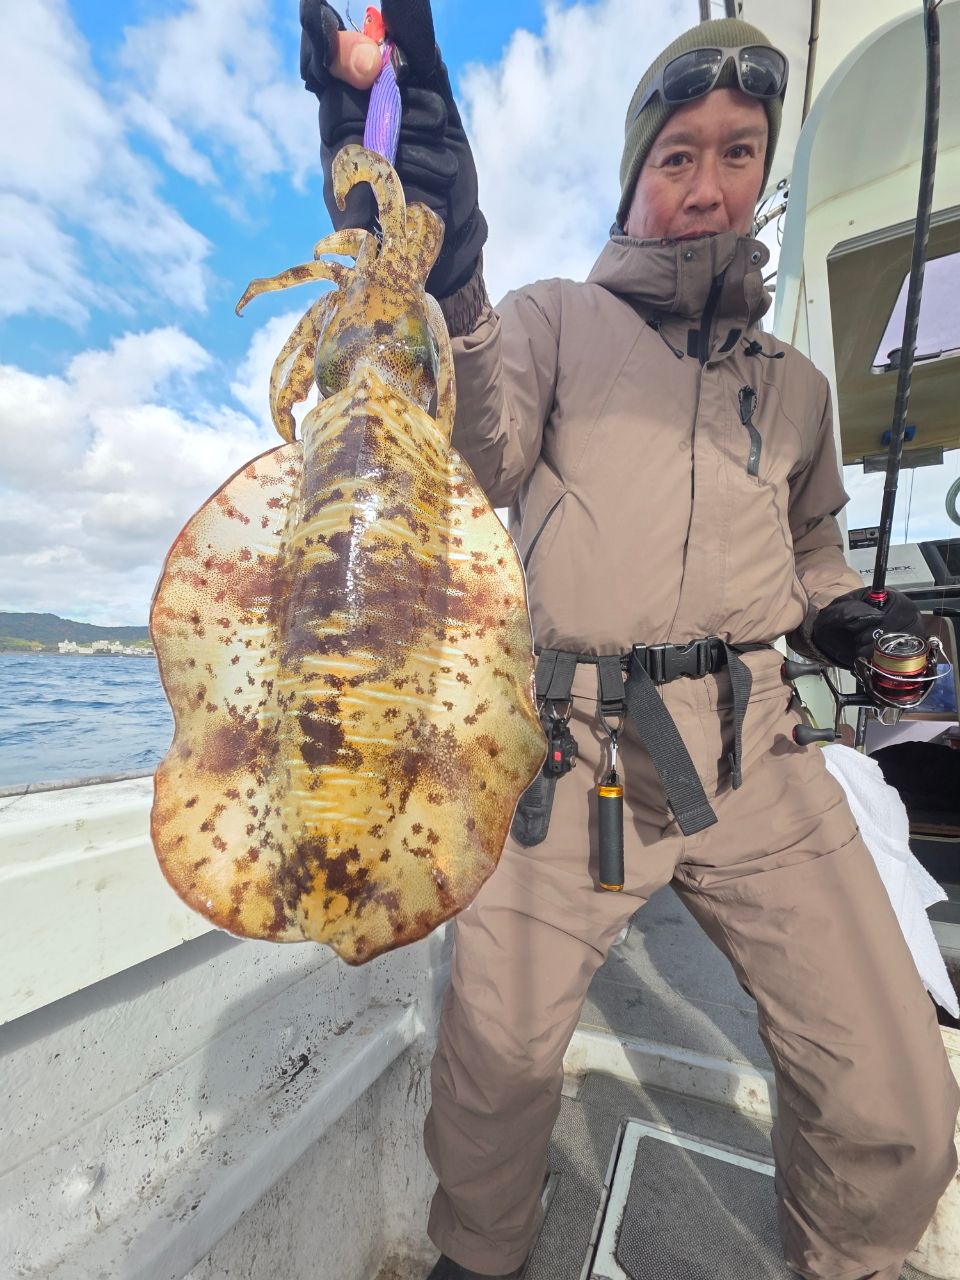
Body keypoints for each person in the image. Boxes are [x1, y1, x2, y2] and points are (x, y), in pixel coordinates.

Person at [299, 4, 960, 1278]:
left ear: (764, 173)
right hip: (566, 756)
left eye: (737, 153)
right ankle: (481, 1257)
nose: (707, 186)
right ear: (635, 176)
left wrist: (847, 612)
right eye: (678, 157)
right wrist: (410, 152)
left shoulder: (803, 388)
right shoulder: (551, 323)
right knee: (491, 1074)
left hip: (762, 755)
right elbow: (468, 422)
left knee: (896, 1093)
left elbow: (815, 545)